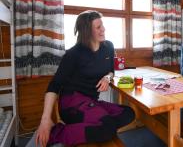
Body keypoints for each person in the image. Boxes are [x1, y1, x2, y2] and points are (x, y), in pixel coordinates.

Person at [34, 10, 135, 146]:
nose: (103, 29)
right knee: (107, 127)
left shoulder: (108, 47)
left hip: (92, 101)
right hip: (71, 103)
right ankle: (56, 134)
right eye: (98, 27)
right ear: (87, 31)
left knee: (128, 113)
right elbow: (54, 85)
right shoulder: (73, 54)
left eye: (102, 25)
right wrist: (45, 119)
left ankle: (99, 125)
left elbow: (111, 71)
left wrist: (107, 78)